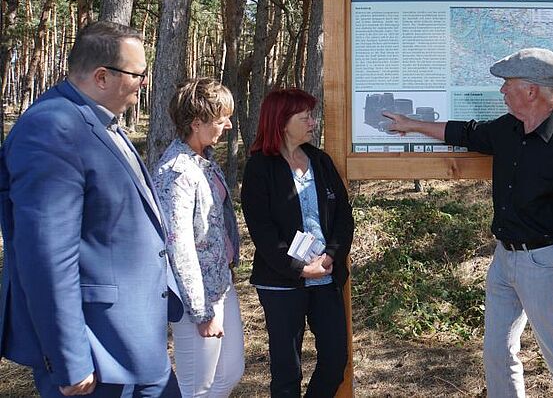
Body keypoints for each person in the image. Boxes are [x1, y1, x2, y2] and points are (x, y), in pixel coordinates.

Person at [384, 47, 553, 398]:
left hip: (548, 266)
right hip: (504, 259)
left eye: (508, 84)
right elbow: (465, 133)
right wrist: (412, 124)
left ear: (531, 91)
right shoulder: (509, 129)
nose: (502, 91)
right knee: (497, 353)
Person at [0, 21, 182, 397]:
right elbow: (47, 256)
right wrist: (70, 359)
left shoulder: (98, 121)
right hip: (97, 354)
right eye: (138, 74)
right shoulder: (52, 129)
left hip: (133, 342)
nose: (144, 82)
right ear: (102, 77)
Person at [240, 88, 354, 397]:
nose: (312, 122)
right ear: (281, 121)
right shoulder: (260, 167)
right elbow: (262, 231)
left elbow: (344, 217)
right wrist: (300, 269)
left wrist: (331, 256)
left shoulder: (320, 161)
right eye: (304, 117)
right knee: (287, 371)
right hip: (281, 282)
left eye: (311, 116)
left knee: (336, 360)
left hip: (326, 277)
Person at [152, 78, 245, 397]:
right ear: (196, 123)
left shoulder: (203, 160)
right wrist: (201, 312)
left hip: (220, 284)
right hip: (196, 296)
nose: (229, 125)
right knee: (196, 387)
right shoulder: (176, 172)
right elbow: (178, 248)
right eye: (221, 120)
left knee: (230, 372)